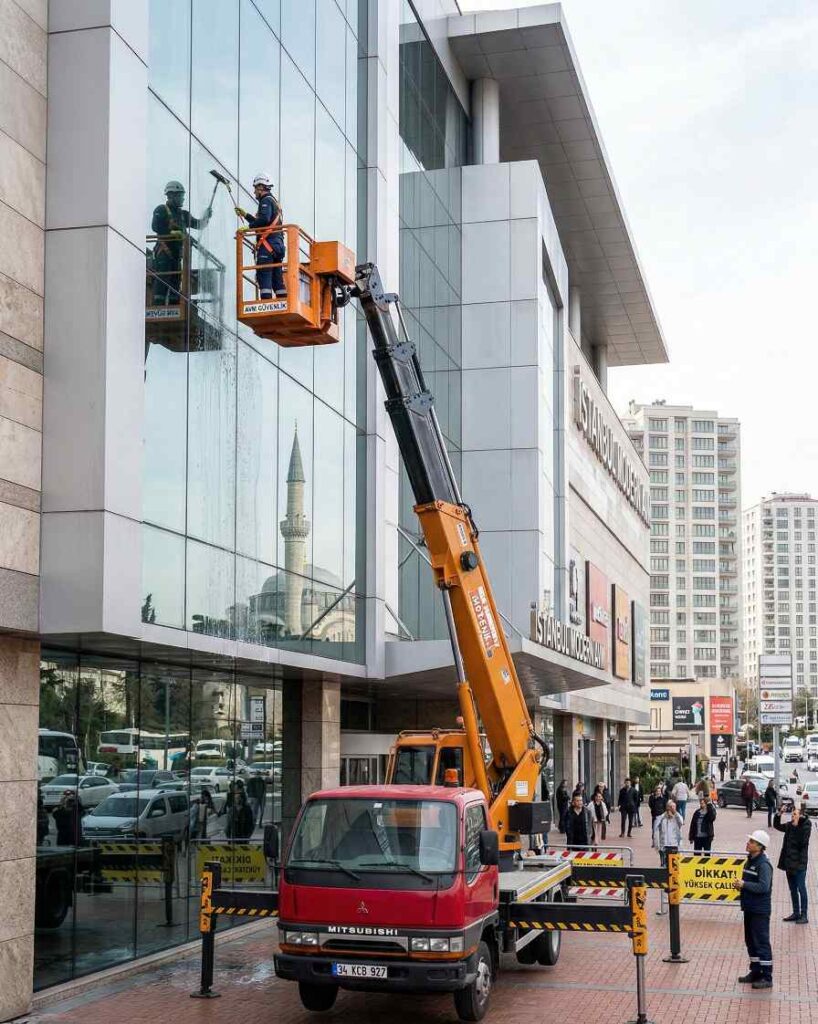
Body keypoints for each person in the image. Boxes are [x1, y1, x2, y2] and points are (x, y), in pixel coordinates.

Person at [150, 180, 211, 304]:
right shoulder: (161, 210)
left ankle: (173, 306)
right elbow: (156, 226)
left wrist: (206, 217)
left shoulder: (183, 215)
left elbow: (198, 224)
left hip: (177, 256)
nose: (182, 199)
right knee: (162, 282)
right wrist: (171, 232)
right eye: (180, 196)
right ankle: (158, 308)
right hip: (164, 254)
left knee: (175, 284)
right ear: (171, 195)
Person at [734, 829, 773, 989]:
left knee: (761, 942)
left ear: (760, 846)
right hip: (749, 908)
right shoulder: (749, 861)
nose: (748, 843)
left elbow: (764, 887)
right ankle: (755, 971)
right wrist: (741, 887)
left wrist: (744, 885)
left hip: (759, 910)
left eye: (751, 841)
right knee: (750, 941)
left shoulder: (764, 864)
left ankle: (767, 976)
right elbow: (750, 883)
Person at [235, 173, 285, 300]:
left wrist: (248, 228)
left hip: (268, 246)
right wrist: (246, 215)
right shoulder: (273, 202)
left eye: (256, 188)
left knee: (264, 278)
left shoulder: (266, 200)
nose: (254, 192)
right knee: (277, 279)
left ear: (261, 187)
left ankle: (267, 307)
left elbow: (263, 219)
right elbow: (265, 222)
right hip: (277, 245)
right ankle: (282, 303)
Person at [773, 804, 811, 924]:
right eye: (792, 814)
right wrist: (779, 814)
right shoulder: (790, 825)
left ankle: (804, 914)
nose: (793, 816)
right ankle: (796, 913)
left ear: (801, 815)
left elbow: (802, 842)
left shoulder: (806, 825)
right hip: (789, 862)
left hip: (800, 863)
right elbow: (777, 825)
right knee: (793, 889)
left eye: (795, 814)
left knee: (801, 888)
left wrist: (796, 827)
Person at [654, 799, 683, 866]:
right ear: (667, 807)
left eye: (673, 807)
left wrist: (675, 813)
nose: (672, 809)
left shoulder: (677, 817)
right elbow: (656, 830)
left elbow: (681, 823)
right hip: (664, 845)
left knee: (674, 866)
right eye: (670, 807)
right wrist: (657, 845)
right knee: (664, 865)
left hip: (674, 845)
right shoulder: (662, 817)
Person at [648, 784, 667, 848]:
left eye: (659, 791)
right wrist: (655, 799)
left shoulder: (663, 798)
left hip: (662, 815)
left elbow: (665, 807)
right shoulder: (652, 798)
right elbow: (650, 805)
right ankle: (654, 842)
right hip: (655, 816)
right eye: (657, 791)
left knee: (662, 829)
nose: (658, 792)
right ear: (655, 792)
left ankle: (662, 842)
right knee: (654, 829)